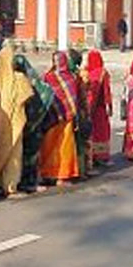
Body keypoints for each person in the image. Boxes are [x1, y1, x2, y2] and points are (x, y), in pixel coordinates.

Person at [0, 46, 33, 197]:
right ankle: (10, 186)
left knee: (0, 148)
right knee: (14, 153)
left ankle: (0, 183)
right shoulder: (19, 78)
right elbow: (28, 95)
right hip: (15, 121)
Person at [14, 55, 53, 193]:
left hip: (18, 125)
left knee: (20, 155)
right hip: (34, 125)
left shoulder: (12, 83)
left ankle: (17, 182)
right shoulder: (35, 82)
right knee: (30, 154)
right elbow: (47, 93)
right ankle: (28, 182)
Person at [40, 52, 80, 182]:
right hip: (53, 117)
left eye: (58, 60)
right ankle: (49, 173)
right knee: (50, 145)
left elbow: (74, 98)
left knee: (64, 146)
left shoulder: (71, 77)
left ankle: (62, 174)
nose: (57, 63)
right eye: (55, 60)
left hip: (66, 117)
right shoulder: (48, 77)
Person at [85, 50, 113, 166]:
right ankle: (101, 157)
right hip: (100, 109)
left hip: (88, 108)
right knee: (101, 133)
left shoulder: (86, 73)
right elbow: (106, 91)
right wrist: (110, 106)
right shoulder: (103, 73)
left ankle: (91, 156)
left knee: (92, 133)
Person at [67, 50, 93, 177]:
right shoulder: (76, 76)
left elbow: (82, 96)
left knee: (77, 142)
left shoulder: (74, 77)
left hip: (73, 113)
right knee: (78, 142)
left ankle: (79, 170)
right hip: (77, 112)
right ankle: (80, 170)